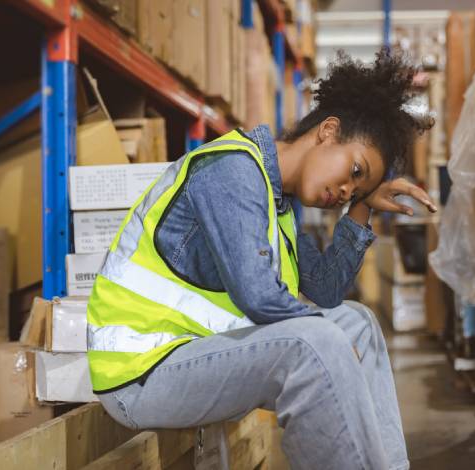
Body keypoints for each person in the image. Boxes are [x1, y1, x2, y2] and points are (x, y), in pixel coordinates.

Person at [87, 48, 435, 470]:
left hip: (194, 357)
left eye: (356, 189)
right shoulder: (232, 171)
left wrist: (363, 209)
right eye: (355, 171)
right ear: (328, 130)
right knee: (317, 341)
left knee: (355, 323)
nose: (346, 190)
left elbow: (325, 291)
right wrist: (330, 341)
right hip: (141, 373)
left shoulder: (280, 205)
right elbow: (258, 296)